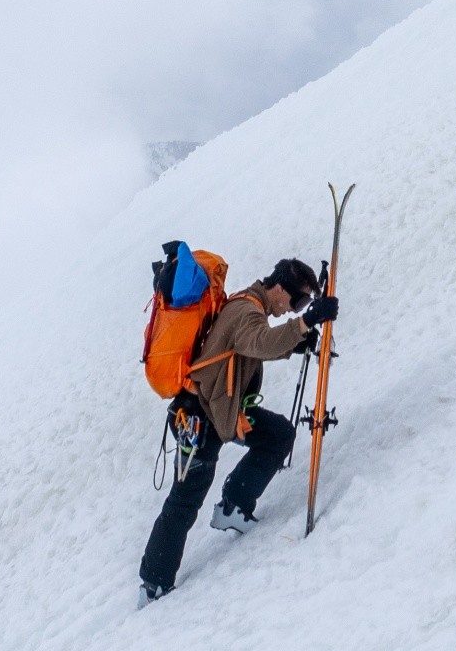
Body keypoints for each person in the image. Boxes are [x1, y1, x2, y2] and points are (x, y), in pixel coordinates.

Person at [137, 257, 338, 607]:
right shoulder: (247, 310)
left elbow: (250, 345)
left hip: (223, 411)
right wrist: (305, 324)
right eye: (297, 302)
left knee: (277, 435)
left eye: (304, 305)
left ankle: (234, 506)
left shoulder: (250, 304)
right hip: (199, 418)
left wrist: (297, 341)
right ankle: (153, 583)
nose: (296, 309)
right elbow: (259, 342)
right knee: (184, 502)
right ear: (279, 290)